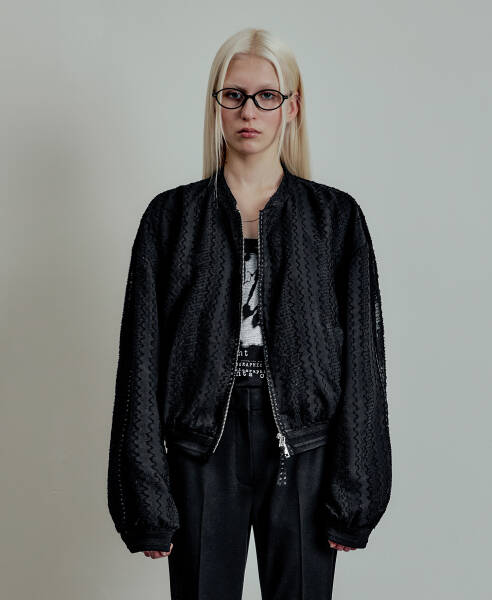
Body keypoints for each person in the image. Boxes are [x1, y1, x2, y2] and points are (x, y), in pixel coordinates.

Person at [107, 27, 392, 600]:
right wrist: (146, 499)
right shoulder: (170, 219)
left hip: (305, 449)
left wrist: (355, 492)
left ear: (293, 106)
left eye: (267, 95)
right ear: (216, 104)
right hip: (200, 448)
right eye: (234, 95)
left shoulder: (335, 219)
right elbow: (140, 360)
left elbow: (364, 360)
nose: (249, 111)